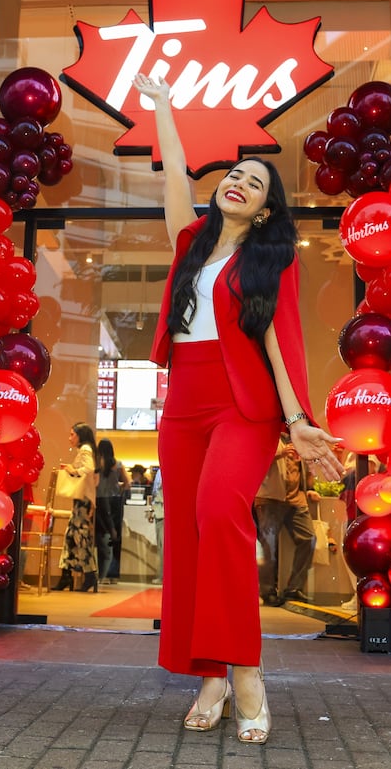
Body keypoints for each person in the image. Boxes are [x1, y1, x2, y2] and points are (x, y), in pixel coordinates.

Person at [132, 73, 344, 746]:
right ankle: (210, 677)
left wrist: (296, 418)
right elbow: (174, 176)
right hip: (183, 403)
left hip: (241, 403)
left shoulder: (268, 258)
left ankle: (246, 670)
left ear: (264, 209)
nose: (240, 183)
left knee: (219, 512)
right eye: (235, 175)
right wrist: (164, 108)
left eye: (255, 183)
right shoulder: (192, 242)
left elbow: (279, 340)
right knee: (188, 534)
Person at [254, 439, 320, 607]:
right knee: (269, 546)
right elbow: (254, 459)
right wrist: (280, 453)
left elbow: (306, 470)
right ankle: (268, 591)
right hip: (270, 498)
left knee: (309, 538)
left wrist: (310, 489)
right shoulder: (269, 437)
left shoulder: (298, 439)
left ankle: (294, 588)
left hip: (296, 499)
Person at [53, 422, 100, 593]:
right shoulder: (88, 449)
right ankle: (70, 575)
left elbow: (88, 469)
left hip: (83, 500)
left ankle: (87, 574)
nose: (70, 438)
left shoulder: (85, 449)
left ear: (81, 435)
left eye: (72, 434)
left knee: (79, 537)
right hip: (84, 499)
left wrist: (73, 470)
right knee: (73, 537)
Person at [95, 438, 129, 585]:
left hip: (101, 502)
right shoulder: (118, 464)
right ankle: (113, 574)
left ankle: (101, 573)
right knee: (115, 538)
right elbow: (128, 483)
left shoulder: (97, 464)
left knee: (101, 537)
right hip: (115, 502)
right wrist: (118, 489)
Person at [145, 466, 164, 584]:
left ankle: (163, 576)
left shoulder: (164, 471)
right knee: (161, 547)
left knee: (164, 548)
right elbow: (156, 494)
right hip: (159, 513)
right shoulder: (160, 472)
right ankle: (162, 575)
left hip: (163, 513)